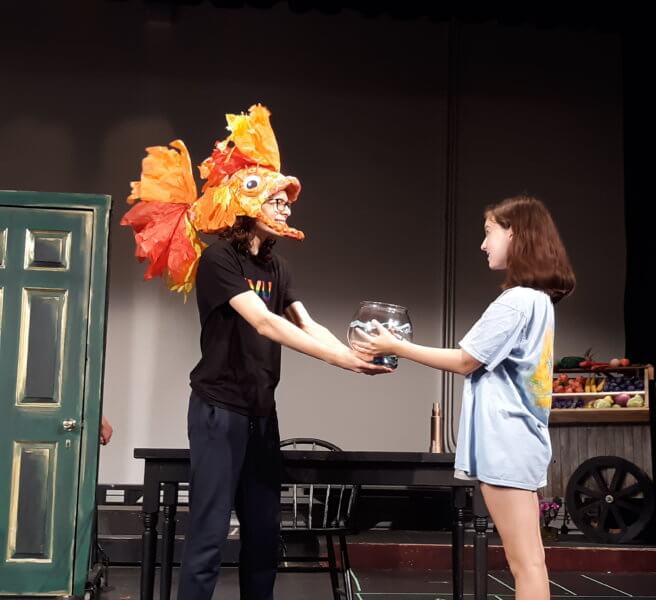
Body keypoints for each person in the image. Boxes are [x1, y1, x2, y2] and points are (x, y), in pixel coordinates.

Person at [121, 104, 390, 600]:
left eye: (289, 201)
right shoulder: (219, 260)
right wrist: (342, 361)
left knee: (264, 538)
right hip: (217, 411)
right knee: (207, 535)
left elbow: (307, 323)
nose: (287, 206)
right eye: (278, 199)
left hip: (262, 415)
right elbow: (265, 323)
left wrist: (357, 356)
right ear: (248, 203)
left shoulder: (278, 266)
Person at [353, 195, 575, 600]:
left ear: (515, 234)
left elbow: (466, 360)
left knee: (525, 564)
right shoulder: (538, 301)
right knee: (529, 561)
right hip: (519, 442)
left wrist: (396, 345)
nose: (483, 244)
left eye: (489, 232)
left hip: (507, 444)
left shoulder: (518, 301)